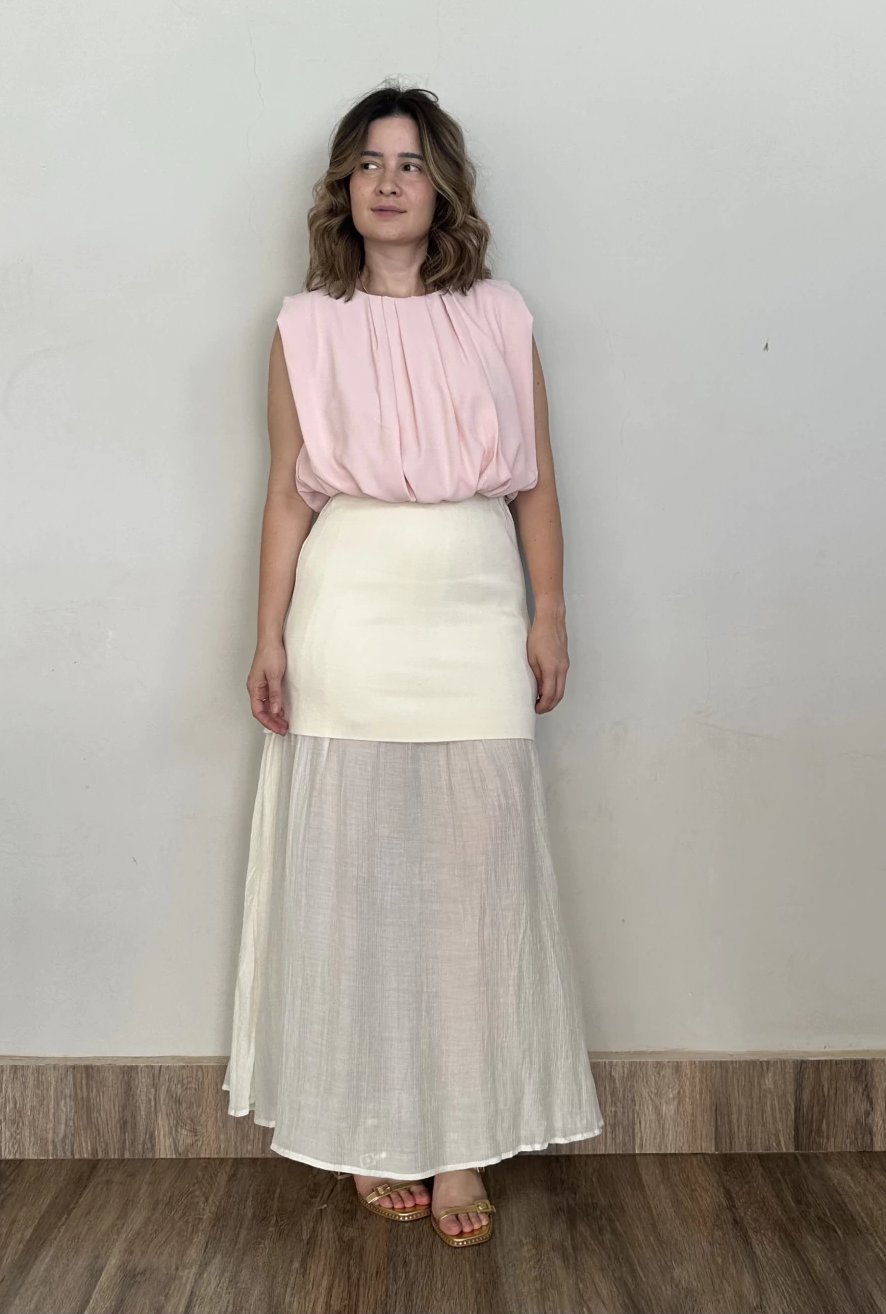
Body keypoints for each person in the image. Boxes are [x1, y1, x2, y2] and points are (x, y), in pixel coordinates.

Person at [223, 82, 603, 1249]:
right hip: (351, 609)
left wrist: (547, 613)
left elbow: (536, 483)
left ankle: (460, 1144)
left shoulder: (500, 315)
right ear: (344, 187)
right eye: (369, 163)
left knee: (476, 883)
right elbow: (287, 495)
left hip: (474, 607)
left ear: (443, 189)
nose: (388, 181)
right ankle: (368, 1128)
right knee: (352, 881)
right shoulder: (305, 326)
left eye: (411, 163)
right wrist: (267, 633)